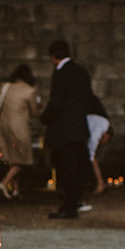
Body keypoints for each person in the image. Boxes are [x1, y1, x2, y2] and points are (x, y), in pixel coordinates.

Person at [41, 41, 95, 219]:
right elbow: (88, 98)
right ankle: (74, 200)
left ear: (53, 56)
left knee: (66, 168)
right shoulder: (81, 71)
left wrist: (45, 118)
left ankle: (70, 207)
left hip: (64, 130)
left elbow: (56, 102)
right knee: (76, 168)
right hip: (79, 127)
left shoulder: (61, 73)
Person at [0, 64, 39, 200]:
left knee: (12, 157)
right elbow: (35, 112)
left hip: (4, 127)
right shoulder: (29, 91)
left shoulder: (5, 87)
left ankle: (15, 190)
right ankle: (3, 184)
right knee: (22, 159)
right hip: (20, 129)